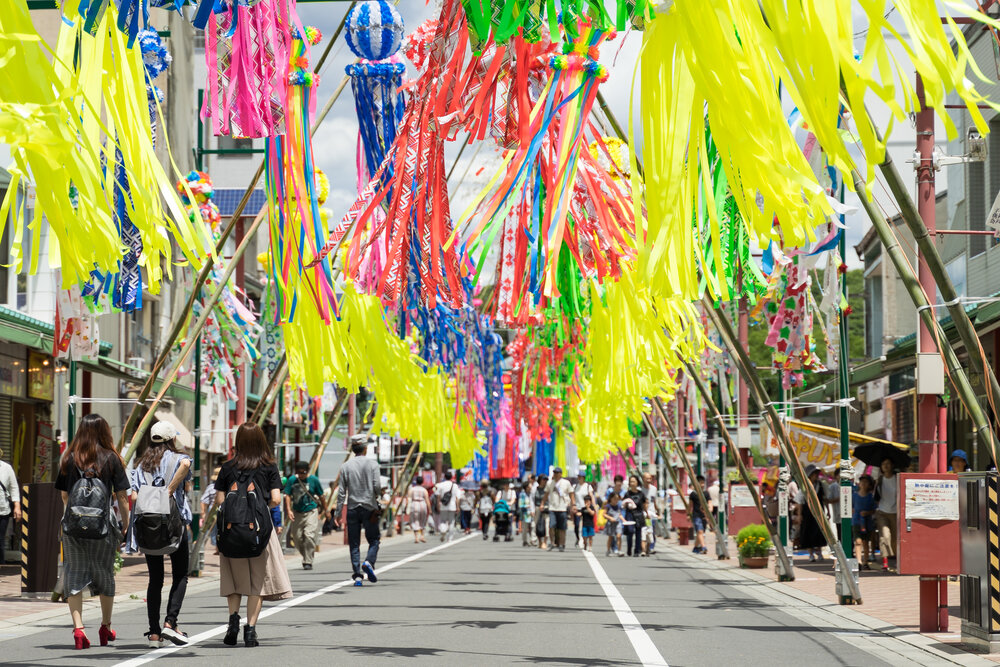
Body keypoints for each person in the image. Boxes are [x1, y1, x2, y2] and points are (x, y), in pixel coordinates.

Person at [55, 413, 130, 650]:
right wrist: (125, 523)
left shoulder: (69, 458)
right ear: (104, 432)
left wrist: (74, 516)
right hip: (103, 525)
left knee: (74, 573)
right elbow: (121, 496)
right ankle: (105, 626)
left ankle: (78, 630)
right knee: (104, 574)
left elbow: (65, 495)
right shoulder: (111, 458)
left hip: (73, 524)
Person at [214, 423, 291, 647]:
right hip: (260, 533)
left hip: (231, 532)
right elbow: (276, 499)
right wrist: (259, 507)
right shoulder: (269, 467)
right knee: (257, 583)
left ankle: (232, 622)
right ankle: (250, 630)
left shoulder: (228, 467)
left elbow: (220, 501)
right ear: (260, 441)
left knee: (234, 581)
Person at [128, 421, 193, 647]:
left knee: (155, 579)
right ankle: (170, 622)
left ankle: (154, 633)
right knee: (180, 574)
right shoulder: (177, 459)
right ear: (171, 440)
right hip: (174, 525)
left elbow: (134, 498)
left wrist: (151, 497)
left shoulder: (140, 465)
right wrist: (169, 490)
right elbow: (186, 463)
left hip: (148, 526)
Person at [336, 435, 382, 585]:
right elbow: (376, 486)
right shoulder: (373, 464)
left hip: (352, 508)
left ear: (353, 449)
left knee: (354, 542)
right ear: (365, 448)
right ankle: (368, 562)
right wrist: (377, 495)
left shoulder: (346, 466)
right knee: (374, 539)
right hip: (369, 507)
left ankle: (357, 575)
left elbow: (342, 491)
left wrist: (337, 513)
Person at [282, 461, 327, 570]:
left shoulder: (314, 480)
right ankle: (307, 555)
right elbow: (287, 495)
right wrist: (288, 510)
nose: (302, 475)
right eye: (300, 473)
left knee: (309, 535)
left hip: (311, 511)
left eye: (304, 473)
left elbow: (321, 496)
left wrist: (326, 510)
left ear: (308, 471)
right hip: (297, 512)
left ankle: (308, 561)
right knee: (297, 537)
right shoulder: (292, 480)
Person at [797, 464, 828, 562]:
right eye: (814, 473)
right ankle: (811, 554)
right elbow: (800, 501)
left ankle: (819, 552)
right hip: (807, 512)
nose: (816, 475)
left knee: (819, 532)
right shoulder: (804, 486)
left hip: (819, 511)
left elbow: (824, 499)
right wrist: (799, 514)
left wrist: (827, 511)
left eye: (817, 473)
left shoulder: (821, 485)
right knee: (807, 532)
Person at [874, 457, 899, 572]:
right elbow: (875, 496)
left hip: (896, 512)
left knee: (895, 538)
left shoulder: (897, 478)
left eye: (888, 463)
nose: (886, 466)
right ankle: (885, 562)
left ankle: (898, 560)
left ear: (892, 465)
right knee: (885, 536)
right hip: (882, 512)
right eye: (884, 464)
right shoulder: (879, 480)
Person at [0, 448, 21, 565]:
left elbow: (14, 487)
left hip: (2, 510)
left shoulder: (6, 468)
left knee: (0, 541)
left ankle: (1, 568)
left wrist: (17, 506)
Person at [852, 474, 876, 569]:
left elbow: (874, 509)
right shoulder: (854, 495)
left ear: (869, 485)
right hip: (856, 521)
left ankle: (865, 561)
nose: (863, 484)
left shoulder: (871, 497)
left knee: (866, 542)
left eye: (866, 482)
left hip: (867, 522)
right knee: (858, 541)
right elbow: (851, 507)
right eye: (862, 481)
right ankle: (859, 561)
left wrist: (867, 513)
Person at [623, 475, 647, 557]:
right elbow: (623, 505)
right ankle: (629, 548)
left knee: (638, 532)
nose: (632, 483)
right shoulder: (627, 494)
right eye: (631, 482)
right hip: (630, 514)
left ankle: (637, 550)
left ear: (637, 482)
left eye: (634, 481)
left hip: (639, 514)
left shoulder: (641, 494)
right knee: (630, 531)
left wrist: (646, 513)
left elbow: (644, 504)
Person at [433, 471, 459, 543]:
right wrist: (458, 507)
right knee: (451, 522)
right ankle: (450, 538)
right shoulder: (455, 486)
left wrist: (438, 504)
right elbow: (457, 497)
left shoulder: (440, 485)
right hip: (452, 505)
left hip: (443, 505)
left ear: (444, 477)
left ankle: (443, 530)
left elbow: (437, 495)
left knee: (443, 520)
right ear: (451, 477)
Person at [571, 475, 594, 548]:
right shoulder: (575, 486)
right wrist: (572, 505)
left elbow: (591, 496)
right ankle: (578, 538)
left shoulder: (588, 486)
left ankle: (586, 540)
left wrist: (593, 506)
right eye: (578, 477)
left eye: (581, 477)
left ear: (584, 478)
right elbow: (572, 496)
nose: (579, 478)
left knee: (586, 524)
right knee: (576, 525)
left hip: (586, 507)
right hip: (577, 507)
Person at [688, 476, 708, 555]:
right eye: (701, 483)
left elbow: (709, 503)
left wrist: (710, 509)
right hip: (696, 515)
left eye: (703, 483)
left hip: (704, 516)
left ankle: (695, 548)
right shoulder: (693, 494)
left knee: (701, 533)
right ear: (697, 484)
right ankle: (703, 547)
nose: (703, 485)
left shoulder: (706, 493)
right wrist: (688, 514)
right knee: (700, 531)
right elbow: (690, 505)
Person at [407, 478, 430, 543]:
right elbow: (427, 499)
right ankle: (422, 536)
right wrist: (430, 509)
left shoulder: (412, 489)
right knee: (423, 520)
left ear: (416, 481)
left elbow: (409, 499)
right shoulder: (424, 490)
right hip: (423, 504)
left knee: (415, 520)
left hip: (414, 504)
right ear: (422, 482)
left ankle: (416, 537)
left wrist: (407, 508)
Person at [534, 474, 549, 550]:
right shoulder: (535, 489)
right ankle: (539, 541)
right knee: (537, 525)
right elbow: (532, 499)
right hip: (537, 508)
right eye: (543, 479)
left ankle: (545, 542)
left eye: (546, 480)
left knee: (547, 525)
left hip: (546, 508)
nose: (545, 481)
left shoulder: (548, 489)